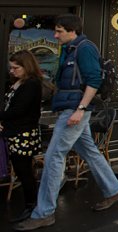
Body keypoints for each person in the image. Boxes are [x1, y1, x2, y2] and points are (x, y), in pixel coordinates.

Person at [15, 14, 118, 231]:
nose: (55, 35)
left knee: (53, 156)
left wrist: (81, 109)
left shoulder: (84, 48)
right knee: (90, 151)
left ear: (72, 31)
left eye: (59, 31)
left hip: (75, 110)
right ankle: (113, 190)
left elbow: (94, 80)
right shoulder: (71, 48)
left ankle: (44, 213)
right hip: (71, 108)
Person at [1, 51, 43, 224]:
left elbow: (19, 110)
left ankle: (31, 205)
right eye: (11, 67)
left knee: (23, 170)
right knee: (21, 169)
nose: (12, 71)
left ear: (27, 67)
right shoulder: (19, 83)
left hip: (23, 133)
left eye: (16, 68)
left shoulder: (31, 84)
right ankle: (31, 204)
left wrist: (3, 118)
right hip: (17, 131)